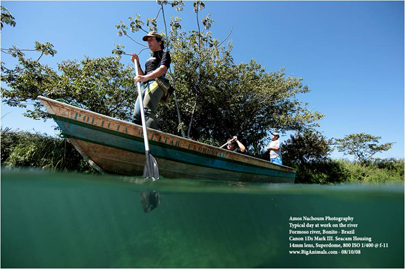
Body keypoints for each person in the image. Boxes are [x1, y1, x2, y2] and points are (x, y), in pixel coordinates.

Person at [131, 31, 171, 129]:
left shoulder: (164, 54)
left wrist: (145, 77)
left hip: (157, 83)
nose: (149, 42)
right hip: (145, 85)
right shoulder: (149, 59)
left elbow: (163, 69)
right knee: (137, 116)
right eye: (148, 41)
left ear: (160, 42)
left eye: (151, 39)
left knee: (147, 111)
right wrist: (137, 63)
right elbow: (142, 76)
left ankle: (152, 139)